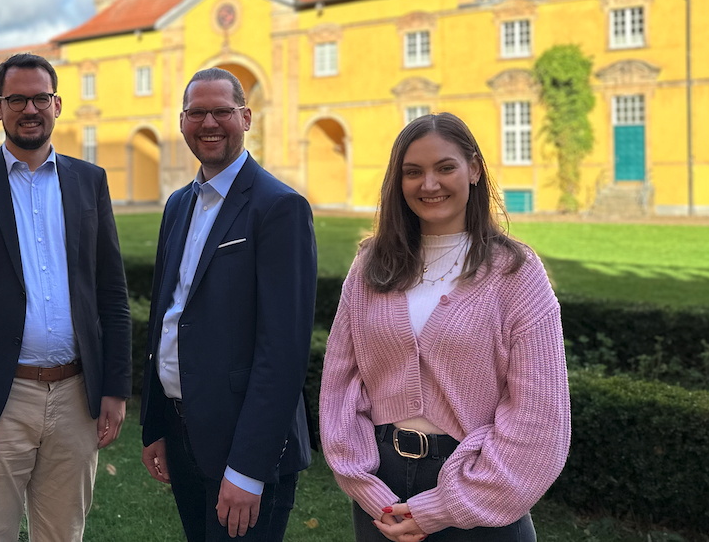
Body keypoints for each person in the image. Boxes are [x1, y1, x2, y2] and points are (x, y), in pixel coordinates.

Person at [319, 112, 570, 542]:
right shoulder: (370, 268)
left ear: (473, 169)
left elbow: (540, 420)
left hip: (478, 487)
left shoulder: (516, 274)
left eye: (445, 167)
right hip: (383, 493)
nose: (429, 184)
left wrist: (444, 506)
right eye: (413, 172)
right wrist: (367, 486)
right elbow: (340, 387)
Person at [0, 53, 132, 542]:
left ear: (58, 104)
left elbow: (112, 293)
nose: (30, 108)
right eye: (16, 99)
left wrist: (116, 388)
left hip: (76, 396)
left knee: (64, 536)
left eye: (41, 97)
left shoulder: (89, 180)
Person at [139, 67, 317, 540]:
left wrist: (247, 469)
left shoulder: (279, 207)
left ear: (246, 117)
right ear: (182, 122)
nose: (209, 123)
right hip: (182, 433)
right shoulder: (179, 204)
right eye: (197, 113)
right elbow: (168, 316)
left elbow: (283, 352)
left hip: (244, 447)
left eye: (221, 111)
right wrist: (156, 423)